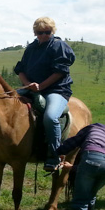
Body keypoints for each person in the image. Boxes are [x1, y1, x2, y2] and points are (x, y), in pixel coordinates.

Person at [14, 17, 76, 173]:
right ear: (35, 33)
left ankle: (55, 156)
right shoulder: (31, 48)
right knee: (5, 104)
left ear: (52, 31)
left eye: (47, 32)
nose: (43, 36)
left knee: (50, 117)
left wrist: (40, 86)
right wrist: (28, 83)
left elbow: (59, 72)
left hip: (56, 90)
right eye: (39, 32)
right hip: (32, 88)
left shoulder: (59, 46)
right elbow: (20, 69)